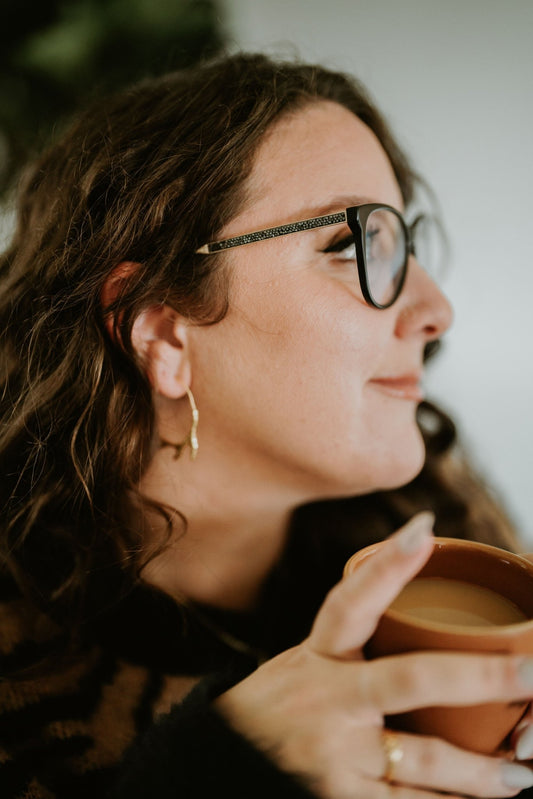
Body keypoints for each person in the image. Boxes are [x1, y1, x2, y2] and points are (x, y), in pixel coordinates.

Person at [1, 52, 532, 799]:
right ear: (162, 333)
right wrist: (216, 774)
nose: (436, 310)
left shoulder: (442, 541)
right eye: (350, 245)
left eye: (402, 244)